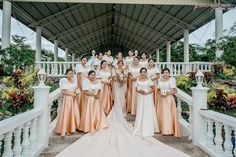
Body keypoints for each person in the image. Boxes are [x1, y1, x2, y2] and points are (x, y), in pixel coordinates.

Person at [56, 70, 190, 157]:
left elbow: (155, 88)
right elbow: (138, 88)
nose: (143, 73)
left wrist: (149, 92)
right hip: (91, 100)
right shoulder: (87, 81)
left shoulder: (151, 79)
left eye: (144, 72)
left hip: (149, 98)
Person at [133, 67, 159, 137]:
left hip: (148, 96)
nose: (143, 73)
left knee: (147, 110)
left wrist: (147, 93)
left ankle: (148, 127)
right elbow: (136, 89)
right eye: (142, 72)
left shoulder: (149, 79)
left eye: (144, 72)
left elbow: (153, 88)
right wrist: (140, 91)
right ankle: (139, 126)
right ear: (140, 73)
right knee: (141, 109)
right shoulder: (138, 79)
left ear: (146, 73)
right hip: (141, 96)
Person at [54, 68, 80, 136]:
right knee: (67, 113)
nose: (71, 75)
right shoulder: (64, 80)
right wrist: (72, 95)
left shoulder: (73, 80)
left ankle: (72, 128)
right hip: (68, 99)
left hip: (73, 98)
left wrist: (76, 93)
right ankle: (66, 129)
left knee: (74, 113)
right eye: (69, 73)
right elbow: (64, 92)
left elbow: (76, 89)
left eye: (72, 73)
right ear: (66, 74)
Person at [157, 68, 180, 137]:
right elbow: (158, 90)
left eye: (167, 72)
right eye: (164, 72)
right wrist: (160, 93)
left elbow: (175, 91)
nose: (165, 74)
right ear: (162, 74)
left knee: (168, 114)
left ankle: (169, 131)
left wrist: (168, 93)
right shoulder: (160, 80)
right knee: (162, 114)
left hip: (169, 99)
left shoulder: (171, 80)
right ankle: (163, 129)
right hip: (161, 99)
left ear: (169, 73)